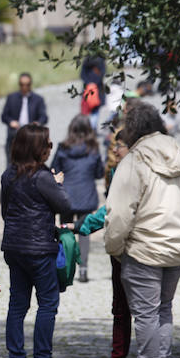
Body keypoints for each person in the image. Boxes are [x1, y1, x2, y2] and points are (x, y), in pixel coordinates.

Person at [105, 103, 180, 358]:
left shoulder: (133, 161)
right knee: (164, 308)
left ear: (133, 130)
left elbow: (119, 214)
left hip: (143, 248)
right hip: (177, 247)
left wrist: (115, 248)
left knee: (146, 312)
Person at [1, 125, 73, 358]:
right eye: (47, 144)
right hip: (39, 249)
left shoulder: (8, 175)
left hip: (14, 247)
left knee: (17, 304)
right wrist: (58, 184)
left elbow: (5, 211)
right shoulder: (42, 177)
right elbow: (65, 206)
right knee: (48, 303)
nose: (50, 148)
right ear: (37, 148)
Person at [73, 129, 133, 358]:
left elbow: (113, 210)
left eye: (120, 145)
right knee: (120, 307)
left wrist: (83, 225)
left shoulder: (135, 173)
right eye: (114, 145)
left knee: (145, 310)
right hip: (119, 245)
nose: (115, 150)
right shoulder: (116, 171)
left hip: (137, 245)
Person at [51, 115, 105, 283]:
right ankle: (83, 268)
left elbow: (54, 169)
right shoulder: (93, 149)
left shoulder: (63, 148)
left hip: (66, 195)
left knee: (65, 231)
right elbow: (99, 173)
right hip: (86, 194)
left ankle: (65, 267)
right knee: (84, 231)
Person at [0, 73, 47, 162]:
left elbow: (44, 117)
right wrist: (11, 122)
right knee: (12, 163)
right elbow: (4, 116)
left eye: (27, 85)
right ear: (19, 84)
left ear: (30, 84)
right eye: (22, 84)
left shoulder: (38, 99)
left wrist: (38, 123)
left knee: (31, 162)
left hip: (31, 134)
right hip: (15, 134)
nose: (24, 87)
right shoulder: (11, 98)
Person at [80, 56, 106, 130]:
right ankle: (92, 129)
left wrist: (89, 83)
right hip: (98, 90)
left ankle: (86, 129)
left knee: (85, 111)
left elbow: (82, 75)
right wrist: (94, 84)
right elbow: (102, 74)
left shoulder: (86, 61)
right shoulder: (101, 61)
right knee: (95, 111)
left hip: (86, 89)